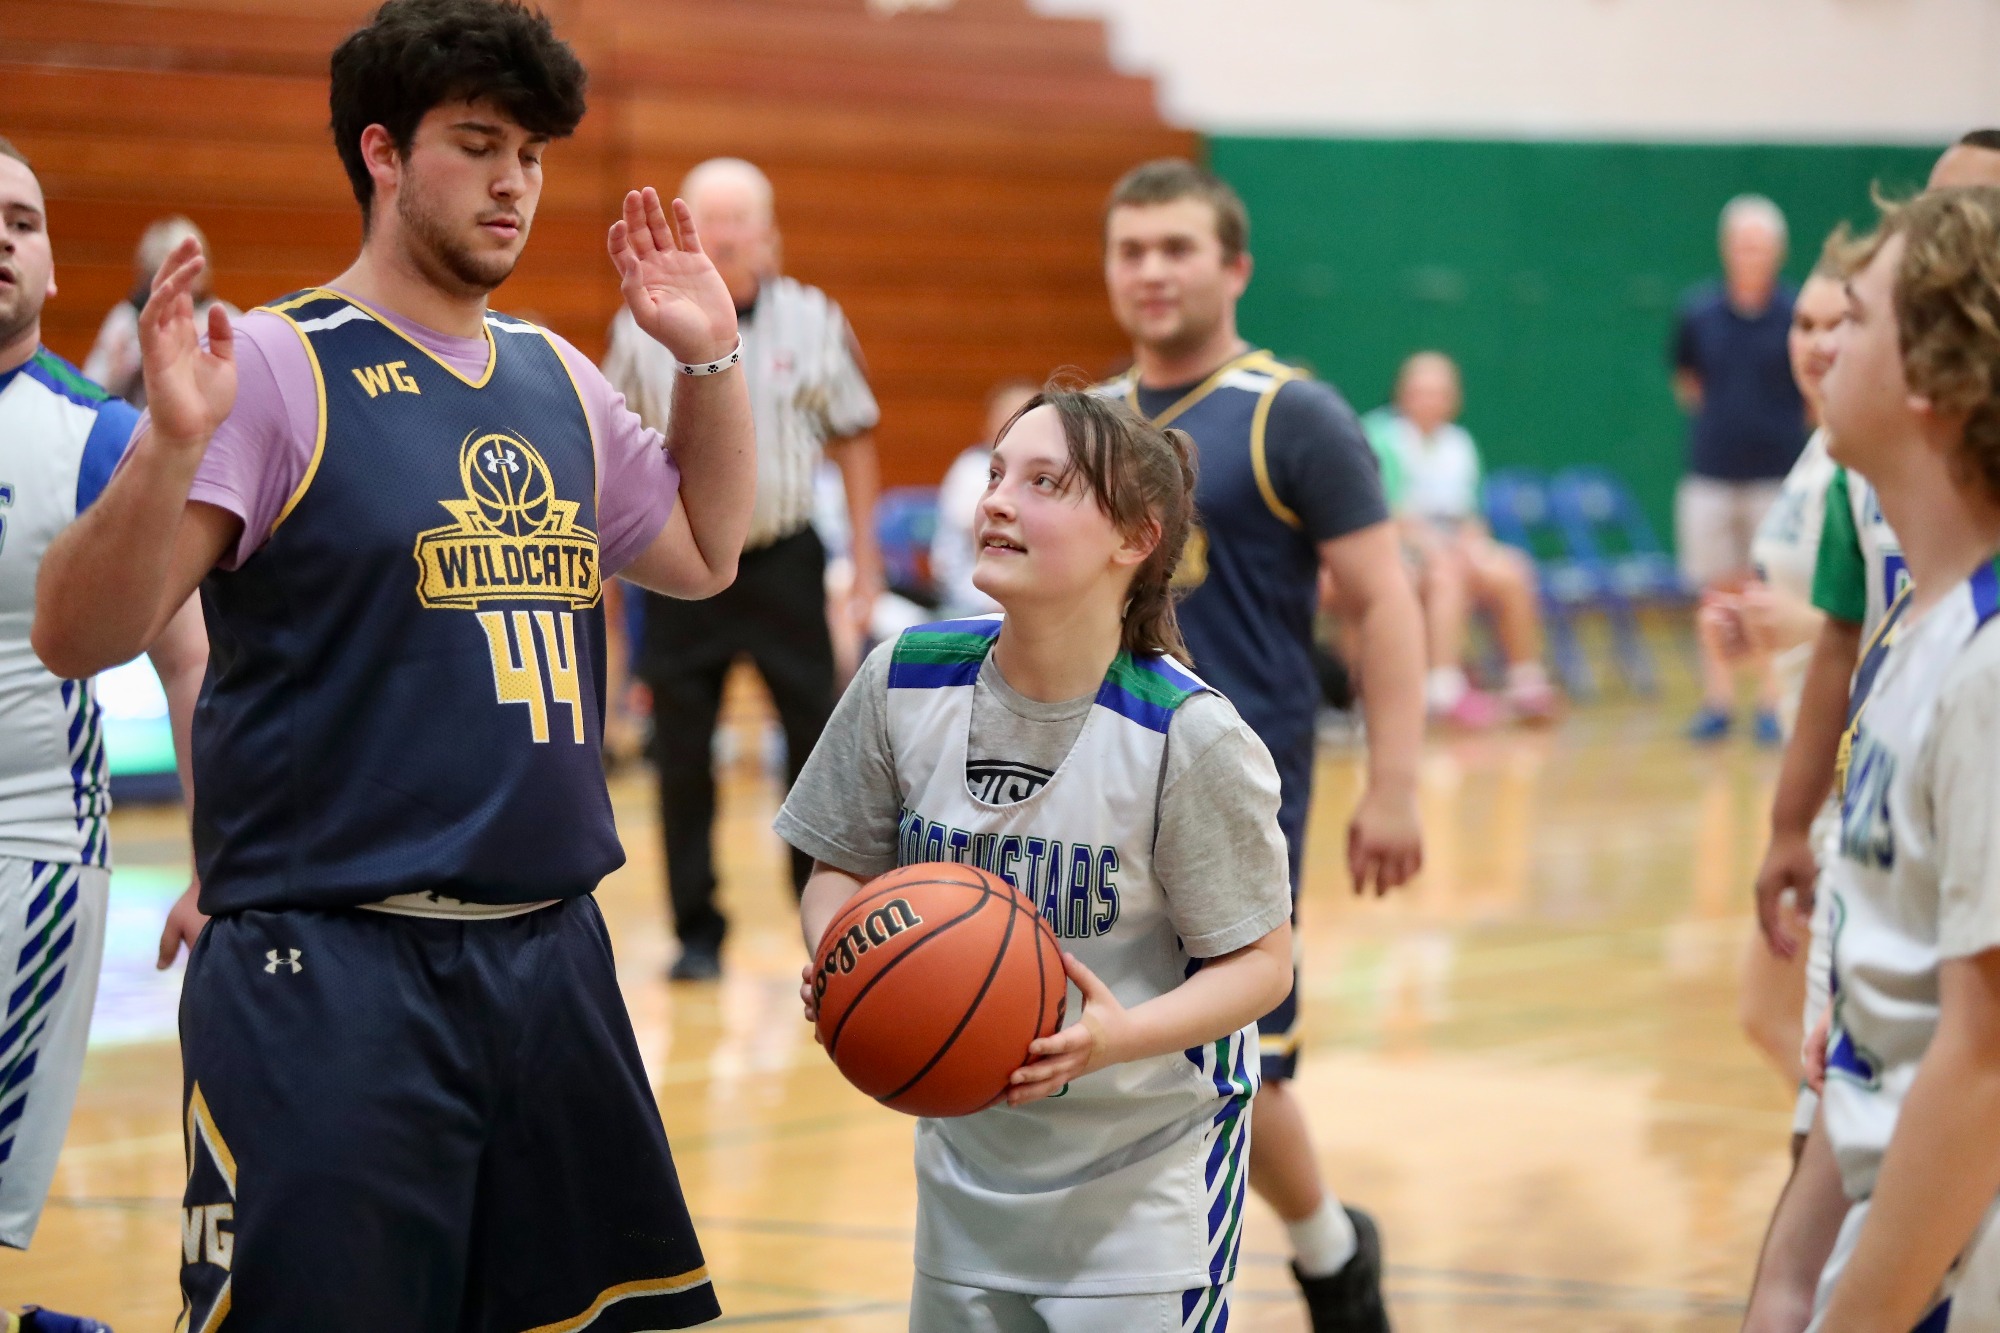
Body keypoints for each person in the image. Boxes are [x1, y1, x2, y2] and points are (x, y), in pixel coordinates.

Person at [30, 0, 756, 1325]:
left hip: (553, 966)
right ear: (380, 152)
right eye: (477, 144)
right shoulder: (274, 365)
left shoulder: (556, 377)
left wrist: (706, 354)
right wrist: (165, 451)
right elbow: (75, 637)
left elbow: (708, 550)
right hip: (333, 977)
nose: (512, 184)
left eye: (530, 154)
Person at [780, 389, 1294, 1330]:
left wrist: (1116, 1037)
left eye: (1045, 482)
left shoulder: (1188, 734)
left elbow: (1262, 965)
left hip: (1145, 1180)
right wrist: (841, 955)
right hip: (966, 1170)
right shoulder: (904, 676)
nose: (997, 501)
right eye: (997, 473)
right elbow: (837, 869)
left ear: (1135, 538)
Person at [1100, 159, 1427, 1332]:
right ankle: (1335, 1253)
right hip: (1100, 786)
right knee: (1152, 1052)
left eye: (1175, 247)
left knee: (1236, 1058)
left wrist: (1392, 784)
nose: (1150, 270)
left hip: (1241, 790)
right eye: (1130, 249)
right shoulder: (1088, 422)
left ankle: (1280, 1272)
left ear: (1232, 266)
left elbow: (1382, 604)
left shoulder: (1295, 414)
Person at [1741, 185, 2000, 1333]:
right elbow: (1873, 1040)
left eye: (1852, 318)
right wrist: (1789, 1286)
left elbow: (1983, 1061)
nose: (1818, 344)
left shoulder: (1988, 667)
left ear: (1932, 380)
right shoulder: (1916, 636)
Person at [0, 135, 206, 1333]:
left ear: (55, 271)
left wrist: (213, 861)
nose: (3, 236)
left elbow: (187, 661)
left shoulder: (96, 438)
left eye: (22, 221)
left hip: (26, 856)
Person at [601, 156, 881, 981]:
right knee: (680, 752)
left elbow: (856, 431)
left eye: (740, 221)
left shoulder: (814, 317)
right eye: (711, 219)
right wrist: (616, 569)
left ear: (770, 234)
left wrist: (864, 565)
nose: (725, 235)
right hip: (684, 560)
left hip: (787, 560)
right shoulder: (640, 323)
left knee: (817, 745)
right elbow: (614, 443)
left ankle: (824, 925)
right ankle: (696, 933)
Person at [1707, 254, 1846, 1085]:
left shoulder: (1884, 457)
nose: (1818, 341)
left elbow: (1924, 624)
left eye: (1840, 324)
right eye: (1806, 323)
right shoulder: (1821, 447)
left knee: (1826, 1034)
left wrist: (1803, 627)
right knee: (1769, 1014)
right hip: (1808, 768)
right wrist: (1753, 629)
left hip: (1859, 772)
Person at [1673, 194, 1811, 745]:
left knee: (1772, 586)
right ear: (1727, 250)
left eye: (1759, 245)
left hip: (1778, 474)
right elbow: (1688, 382)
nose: (1749, 254)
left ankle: (1773, 705)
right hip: (1711, 471)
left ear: (1776, 252)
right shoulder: (1698, 312)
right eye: (1741, 244)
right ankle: (1718, 700)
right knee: (1716, 590)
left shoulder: (1796, 312)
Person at [1362, 350, 1558, 727]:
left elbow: (1472, 513)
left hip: (1450, 546)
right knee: (1445, 575)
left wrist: (1471, 544)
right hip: (1401, 551)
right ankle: (1443, 689)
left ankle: (1525, 683)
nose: (1430, 400)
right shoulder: (1381, 436)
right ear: (1402, 394)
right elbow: (1385, 512)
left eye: (1439, 392)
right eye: (1421, 391)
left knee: (1512, 569)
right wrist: (1438, 547)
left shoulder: (1459, 443)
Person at [80, 216, 237, 407]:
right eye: (167, 268)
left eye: (190, 267)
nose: (181, 278)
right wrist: (120, 370)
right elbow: (91, 390)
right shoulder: (125, 320)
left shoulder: (222, 316)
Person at [933, 379, 1038, 619]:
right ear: (989, 427)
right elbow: (980, 538)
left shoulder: (1047, 473)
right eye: (1010, 422)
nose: (1020, 431)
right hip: (967, 593)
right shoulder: (972, 468)